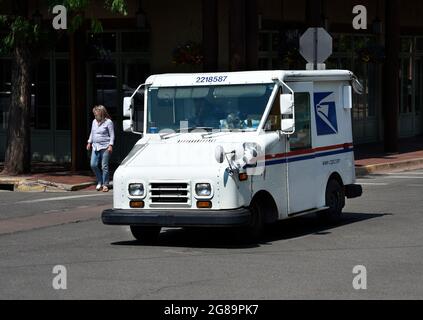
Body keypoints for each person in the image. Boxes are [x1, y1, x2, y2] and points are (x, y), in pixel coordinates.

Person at [86, 105, 115, 192]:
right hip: (95, 146)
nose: (95, 116)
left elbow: (112, 135)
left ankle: (105, 184)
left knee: (104, 166)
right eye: (94, 114)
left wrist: (111, 145)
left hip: (105, 146)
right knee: (93, 164)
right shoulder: (94, 121)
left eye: (96, 114)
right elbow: (92, 132)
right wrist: (89, 142)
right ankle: (100, 180)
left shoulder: (108, 122)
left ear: (101, 113)